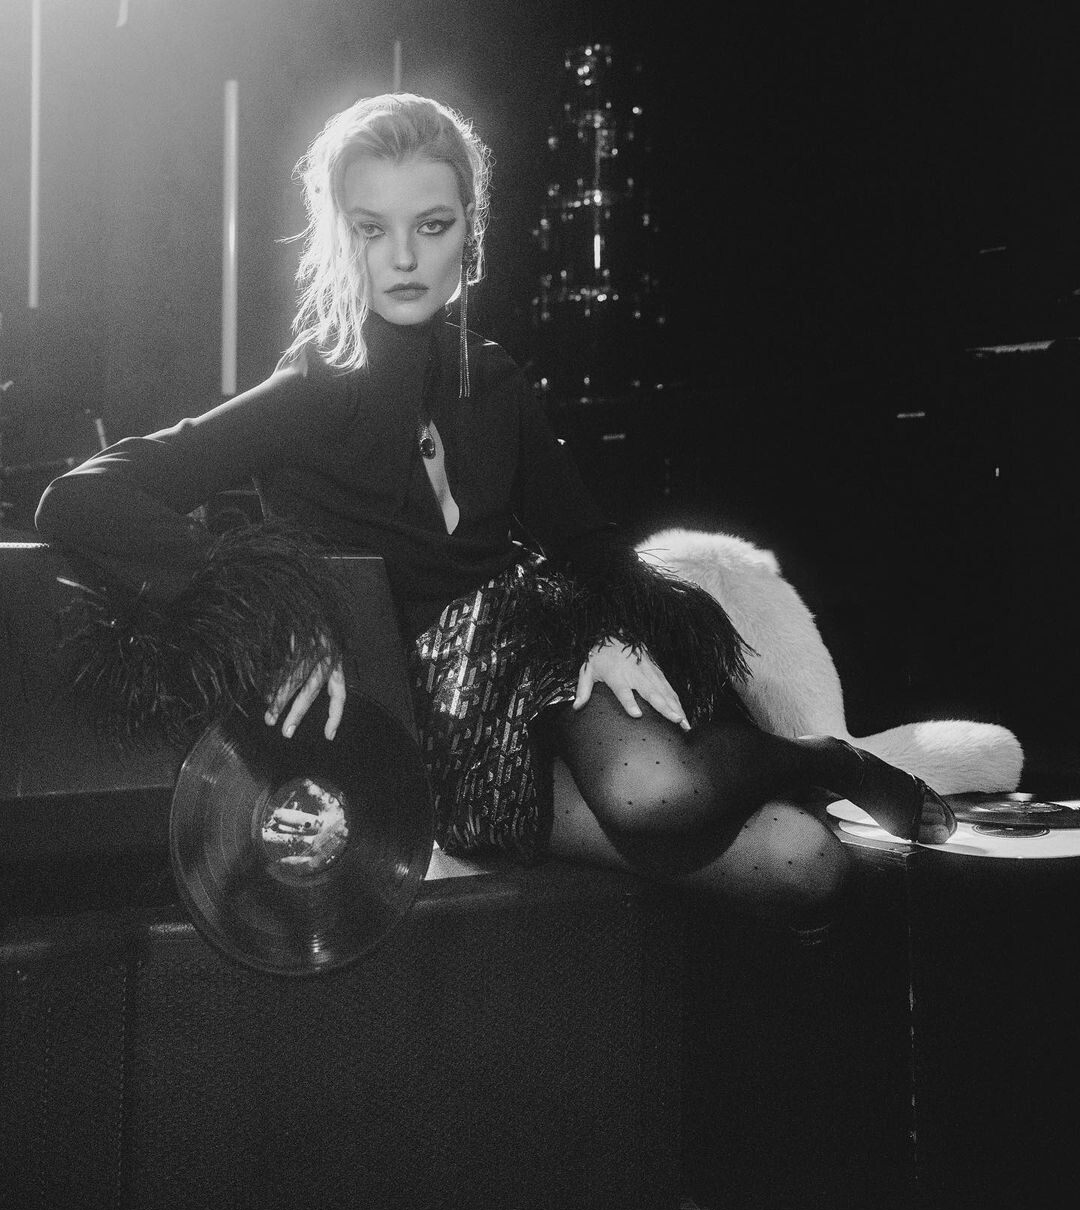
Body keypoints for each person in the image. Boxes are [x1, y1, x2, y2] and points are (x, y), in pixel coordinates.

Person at [36, 92, 955, 931]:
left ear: (468, 234)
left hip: (536, 661)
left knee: (655, 795)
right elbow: (80, 496)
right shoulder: (310, 390)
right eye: (372, 228)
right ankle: (816, 769)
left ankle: (826, 761)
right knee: (804, 864)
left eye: (431, 225)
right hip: (431, 739)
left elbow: (587, 544)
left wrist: (611, 632)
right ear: (340, 236)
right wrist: (270, 606)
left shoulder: (498, 378)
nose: (403, 258)